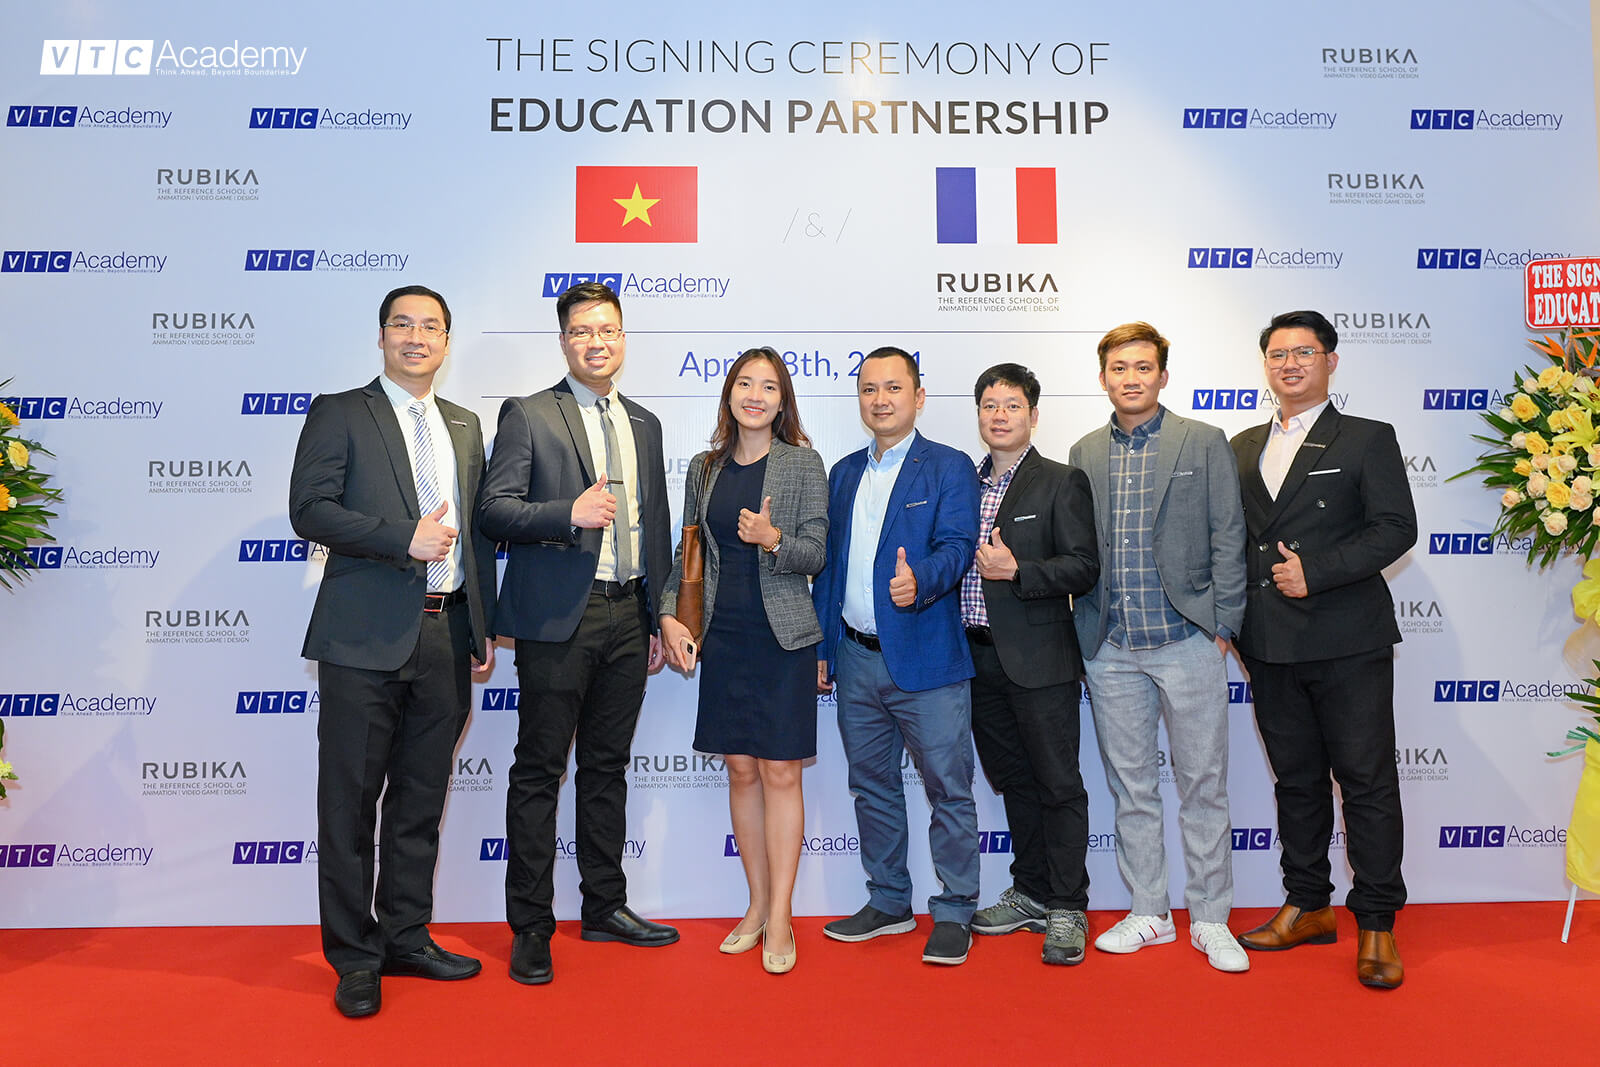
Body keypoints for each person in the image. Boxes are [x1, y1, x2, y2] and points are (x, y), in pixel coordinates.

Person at [289, 284, 498, 1019]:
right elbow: (309, 511)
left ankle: (406, 937)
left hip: (446, 634)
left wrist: (480, 626)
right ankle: (354, 956)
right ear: (381, 337)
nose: (416, 337)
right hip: (361, 638)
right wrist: (400, 537)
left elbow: (476, 534)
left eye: (430, 326)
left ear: (446, 342)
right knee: (349, 803)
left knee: (419, 799)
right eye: (402, 325)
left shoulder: (465, 424)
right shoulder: (341, 411)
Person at [478, 281, 675, 987]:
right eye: (583, 331)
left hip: (628, 615)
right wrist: (568, 513)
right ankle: (532, 926)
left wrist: (658, 612)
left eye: (608, 330)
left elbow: (655, 526)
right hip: (560, 618)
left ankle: (604, 905)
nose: (597, 341)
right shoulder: (529, 413)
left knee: (606, 768)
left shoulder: (645, 423)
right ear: (564, 340)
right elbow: (494, 510)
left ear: (623, 339)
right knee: (539, 772)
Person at [1230, 309, 1417, 990]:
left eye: (1303, 352)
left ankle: (1377, 921)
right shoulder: (1241, 445)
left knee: (1366, 782)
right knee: (1297, 782)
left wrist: (1318, 570)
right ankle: (1307, 903)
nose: (1290, 364)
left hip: (1347, 639)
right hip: (1268, 643)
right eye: (1277, 354)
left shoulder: (1367, 436)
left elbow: (1396, 527)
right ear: (1265, 365)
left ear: (1330, 361)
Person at [1068, 321, 1250, 974]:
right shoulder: (1084, 451)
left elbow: (1229, 533)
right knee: (1133, 788)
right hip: (1111, 646)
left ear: (1163, 376)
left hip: (1188, 639)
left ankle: (1210, 917)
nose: (1132, 378)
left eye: (1143, 367)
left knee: (1204, 785)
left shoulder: (1203, 440)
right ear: (1103, 378)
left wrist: (1223, 626)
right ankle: (1149, 909)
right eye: (1119, 368)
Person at [658, 346, 829, 975]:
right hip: (724, 636)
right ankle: (755, 905)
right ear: (729, 394)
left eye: (769, 387)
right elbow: (689, 554)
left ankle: (781, 914)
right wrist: (670, 614)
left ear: (783, 402)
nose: (755, 396)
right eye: (744, 384)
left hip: (782, 638)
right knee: (740, 771)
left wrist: (773, 538)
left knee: (781, 772)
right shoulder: (704, 468)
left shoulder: (803, 463)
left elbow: (816, 553)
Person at [813, 346, 981, 965]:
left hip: (927, 657)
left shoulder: (949, 466)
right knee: (872, 786)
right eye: (869, 389)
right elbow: (830, 569)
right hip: (856, 658)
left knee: (949, 790)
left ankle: (956, 909)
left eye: (893, 388)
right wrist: (824, 646)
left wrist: (922, 582)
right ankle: (888, 900)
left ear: (919, 397)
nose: (880, 399)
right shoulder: (843, 473)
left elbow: (958, 545)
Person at [961, 364, 1100, 966]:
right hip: (975, 659)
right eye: (990, 405)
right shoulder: (962, 482)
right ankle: (1032, 891)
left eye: (1012, 405)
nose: (1000, 415)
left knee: (1058, 784)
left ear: (1033, 415)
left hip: (1040, 659)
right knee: (1014, 781)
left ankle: (1068, 905)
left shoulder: (1060, 481)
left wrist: (1019, 571)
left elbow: (1084, 566)